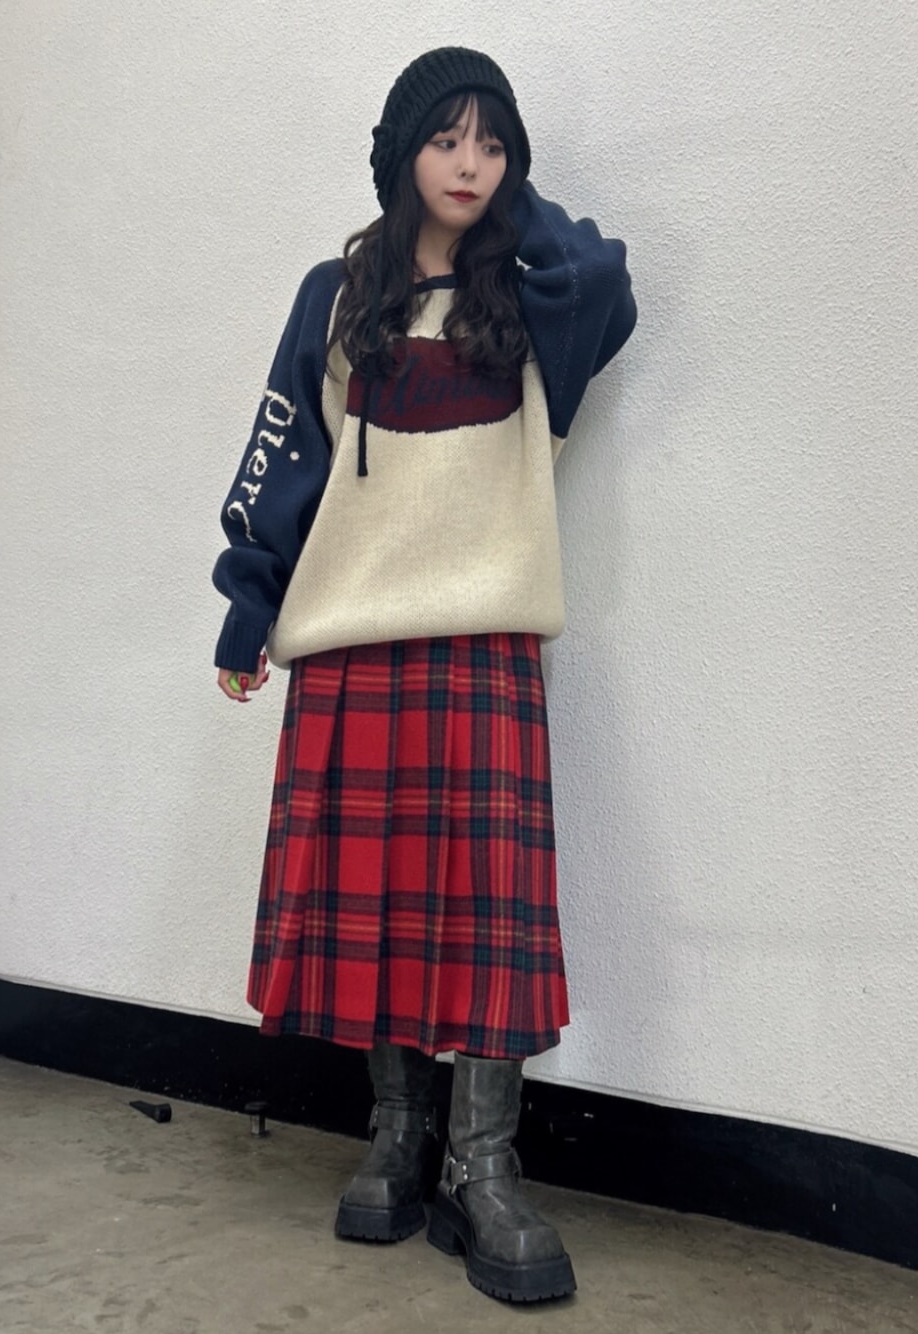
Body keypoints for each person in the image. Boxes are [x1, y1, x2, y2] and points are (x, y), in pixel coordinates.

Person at [212, 47, 636, 1304]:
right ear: (399, 153)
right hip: (351, 635)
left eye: (492, 143)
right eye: (444, 139)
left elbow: (604, 276)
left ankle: (480, 1161)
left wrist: (509, 212)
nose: (469, 164)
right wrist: (247, 607)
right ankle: (397, 1135)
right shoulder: (337, 294)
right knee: (381, 897)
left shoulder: (539, 295)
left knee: (490, 904)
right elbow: (284, 452)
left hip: (485, 635)